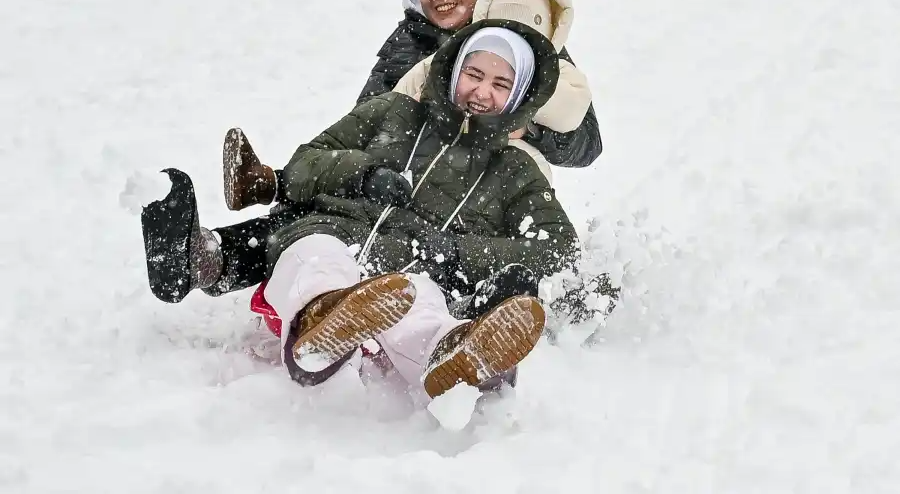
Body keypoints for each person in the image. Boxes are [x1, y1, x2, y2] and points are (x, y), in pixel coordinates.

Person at [142, 21, 601, 400]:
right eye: (473, 73)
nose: (481, 91)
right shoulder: (394, 113)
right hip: (332, 235)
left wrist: (457, 251)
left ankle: (457, 360)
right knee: (316, 257)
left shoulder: (514, 170)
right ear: (453, 68)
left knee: (418, 301)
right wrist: (362, 173)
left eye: (501, 84)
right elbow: (305, 162)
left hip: (410, 273)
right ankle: (320, 325)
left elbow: (557, 248)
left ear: (520, 98)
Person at [357, 0, 602, 169]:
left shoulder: (525, 29)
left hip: (497, 190)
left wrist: (527, 128)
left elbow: (587, 142)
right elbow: (362, 125)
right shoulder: (410, 39)